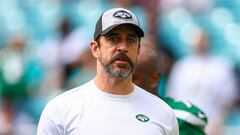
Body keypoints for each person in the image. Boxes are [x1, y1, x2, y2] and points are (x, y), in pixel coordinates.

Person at [37, 7, 179, 135]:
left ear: (138, 50)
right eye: (114, 39)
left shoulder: (163, 113)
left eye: (130, 40)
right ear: (95, 48)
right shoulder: (61, 110)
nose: (123, 47)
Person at [132, 43, 208, 135]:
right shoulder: (112, 108)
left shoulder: (180, 116)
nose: (124, 82)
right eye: (121, 76)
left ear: (154, 79)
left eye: (132, 78)